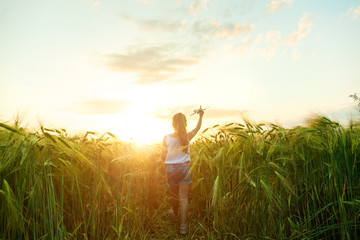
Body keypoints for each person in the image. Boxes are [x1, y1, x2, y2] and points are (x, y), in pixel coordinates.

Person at [161, 108, 204, 235]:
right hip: (184, 168)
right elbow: (197, 128)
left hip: (170, 169)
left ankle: (174, 213)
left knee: (174, 195)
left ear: (173, 124)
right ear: (185, 123)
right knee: (184, 198)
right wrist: (201, 116)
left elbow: (163, 156)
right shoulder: (187, 136)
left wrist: (171, 156)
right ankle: (183, 226)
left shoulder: (166, 138)